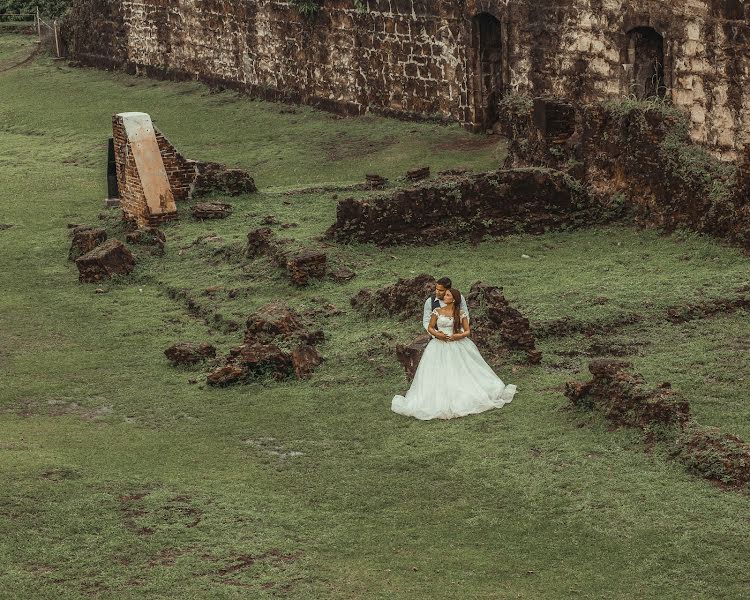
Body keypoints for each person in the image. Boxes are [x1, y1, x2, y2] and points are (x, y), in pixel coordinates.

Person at [392, 288, 516, 420]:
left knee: (460, 369)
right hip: (438, 345)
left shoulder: (460, 313)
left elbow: (467, 331)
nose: (444, 296)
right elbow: (430, 327)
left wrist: (458, 336)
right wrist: (437, 334)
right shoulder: (437, 311)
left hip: (456, 343)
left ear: (454, 299)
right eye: (444, 295)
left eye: (447, 295)